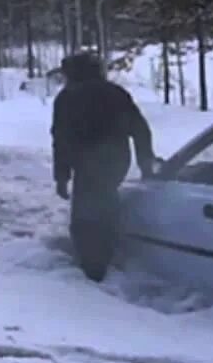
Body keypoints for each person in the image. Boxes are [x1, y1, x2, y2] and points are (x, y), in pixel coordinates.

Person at [51, 51, 156, 282]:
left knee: (85, 211)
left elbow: (61, 140)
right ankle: (107, 248)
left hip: (87, 162)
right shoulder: (116, 93)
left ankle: (92, 266)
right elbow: (140, 129)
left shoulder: (67, 98)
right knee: (106, 198)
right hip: (116, 161)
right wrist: (146, 162)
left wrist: (62, 176)